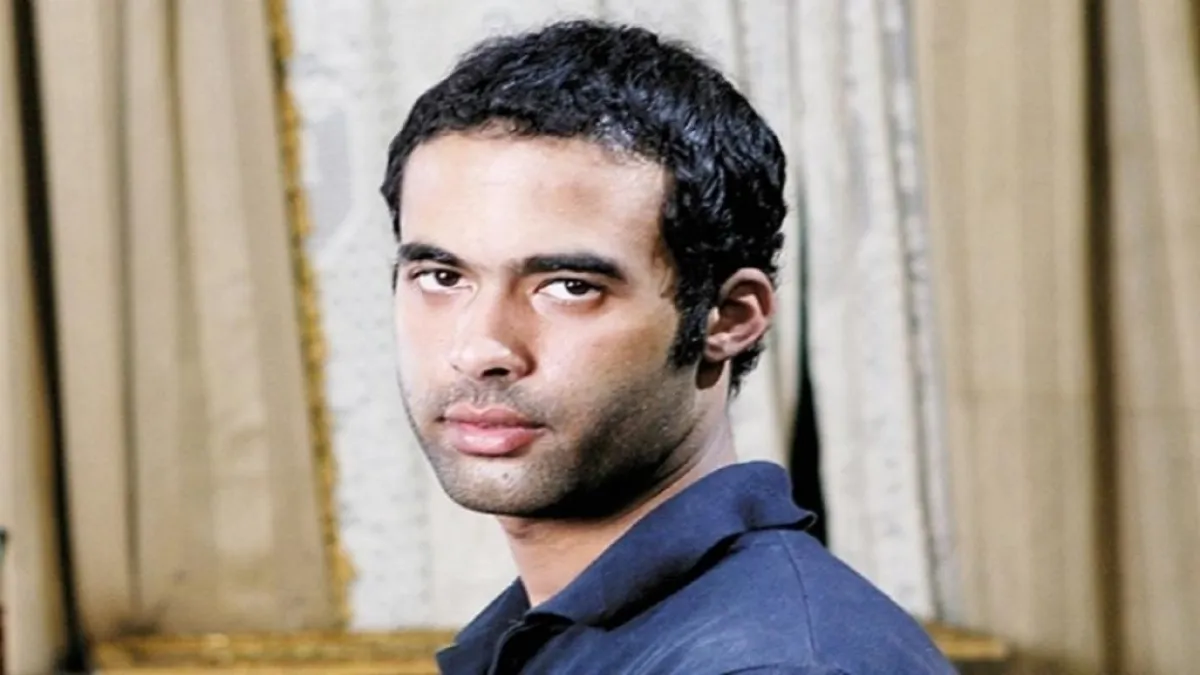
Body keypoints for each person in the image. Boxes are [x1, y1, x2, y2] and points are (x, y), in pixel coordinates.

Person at [381, 19, 954, 675]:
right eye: (441, 277)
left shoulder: (775, 664)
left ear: (729, 318)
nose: (481, 347)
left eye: (569, 287)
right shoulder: (569, 628)